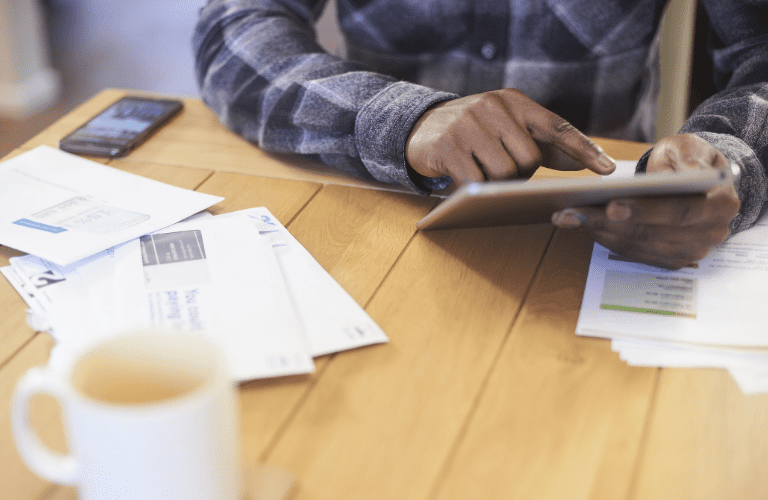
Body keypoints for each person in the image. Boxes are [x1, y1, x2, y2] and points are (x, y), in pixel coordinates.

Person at [193, 0, 767, 269]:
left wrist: (731, 165)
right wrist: (403, 117)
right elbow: (234, 25)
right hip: (372, 208)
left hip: (604, 240)